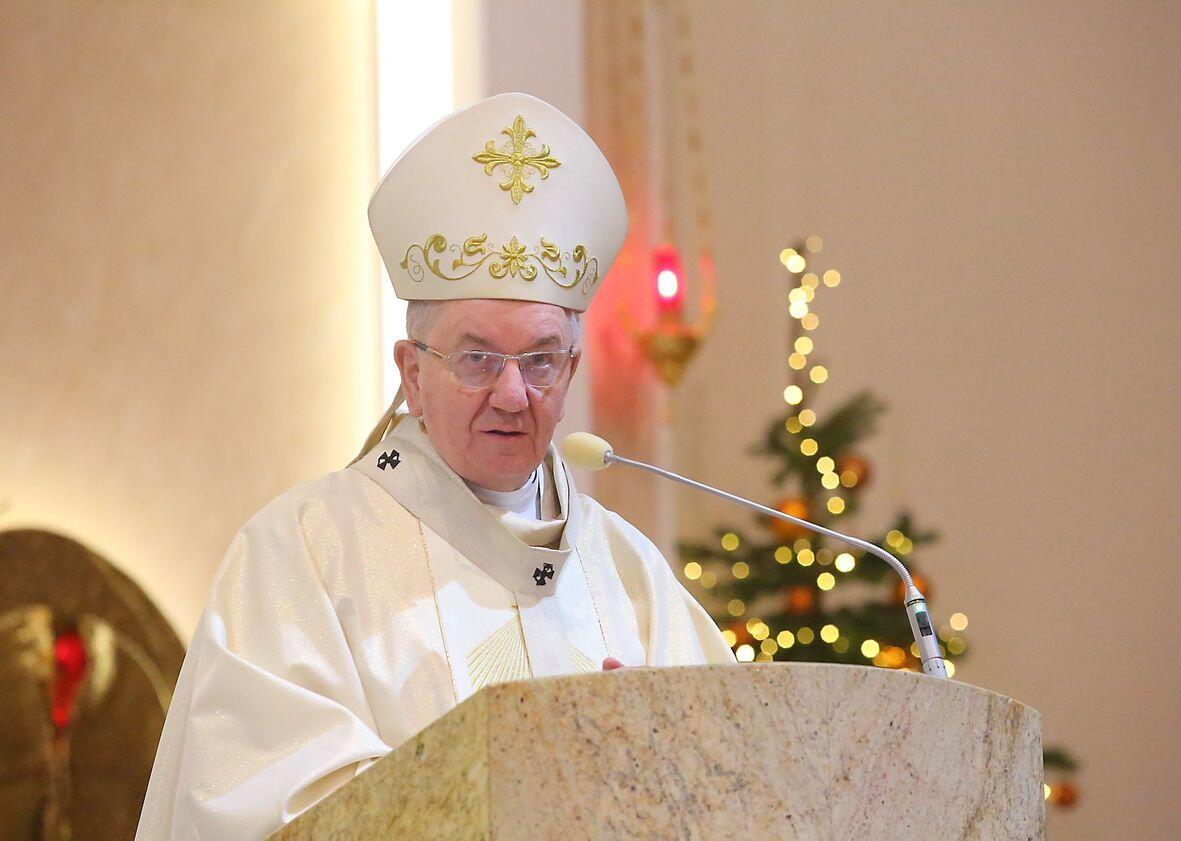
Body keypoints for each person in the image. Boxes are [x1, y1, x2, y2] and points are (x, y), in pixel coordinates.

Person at [135, 92, 734, 841]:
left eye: (541, 360)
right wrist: (535, 781)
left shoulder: (628, 572)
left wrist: (663, 767)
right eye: (477, 358)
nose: (513, 393)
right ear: (412, 374)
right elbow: (266, 810)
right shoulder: (302, 553)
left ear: (572, 371)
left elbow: (738, 789)